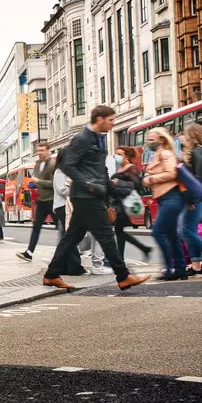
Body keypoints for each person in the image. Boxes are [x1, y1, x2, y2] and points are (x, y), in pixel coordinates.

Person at [42, 106, 149, 290]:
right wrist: (88, 184)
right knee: (106, 235)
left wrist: (110, 189)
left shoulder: (99, 139)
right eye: (110, 120)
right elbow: (67, 165)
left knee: (72, 237)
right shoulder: (82, 139)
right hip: (86, 196)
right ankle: (123, 276)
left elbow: (100, 170)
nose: (113, 123)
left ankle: (51, 274)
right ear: (99, 119)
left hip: (92, 195)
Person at [144, 127, 187, 281]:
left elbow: (172, 173)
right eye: (148, 139)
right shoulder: (156, 154)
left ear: (161, 139)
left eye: (151, 139)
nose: (149, 142)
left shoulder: (166, 153)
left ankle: (169, 268)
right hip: (164, 199)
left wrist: (152, 179)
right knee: (172, 235)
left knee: (158, 232)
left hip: (171, 198)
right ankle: (180, 268)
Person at [52, 149, 95, 276]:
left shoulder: (69, 171)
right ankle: (75, 268)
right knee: (70, 237)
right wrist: (74, 184)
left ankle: (63, 267)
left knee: (69, 237)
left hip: (70, 207)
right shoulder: (59, 172)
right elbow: (62, 190)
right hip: (62, 207)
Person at [110, 146, 152, 262]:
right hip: (118, 203)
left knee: (118, 231)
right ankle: (143, 249)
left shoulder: (132, 169)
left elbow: (136, 186)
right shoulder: (120, 169)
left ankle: (120, 258)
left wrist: (119, 182)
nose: (116, 157)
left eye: (119, 154)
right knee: (119, 231)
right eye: (115, 154)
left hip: (125, 203)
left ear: (127, 157)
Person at [17, 142, 55, 262]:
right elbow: (37, 181)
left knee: (63, 227)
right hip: (42, 201)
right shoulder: (37, 164)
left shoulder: (53, 164)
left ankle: (71, 252)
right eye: (38, 150)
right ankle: (29, 252)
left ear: (48, 150)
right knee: (36, 227)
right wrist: (34, 184)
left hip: (53, 200)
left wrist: (39, 182)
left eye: (42, 150)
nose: (40, 153)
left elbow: (55, 183)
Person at [182, 124, 202, 276]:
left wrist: (190, 199)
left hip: (196, 197)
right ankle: (196, 265)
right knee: (190, 230)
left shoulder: (196, 153)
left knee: (188, 231)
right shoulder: (197, 152)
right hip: (197, 196)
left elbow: (197, 179)